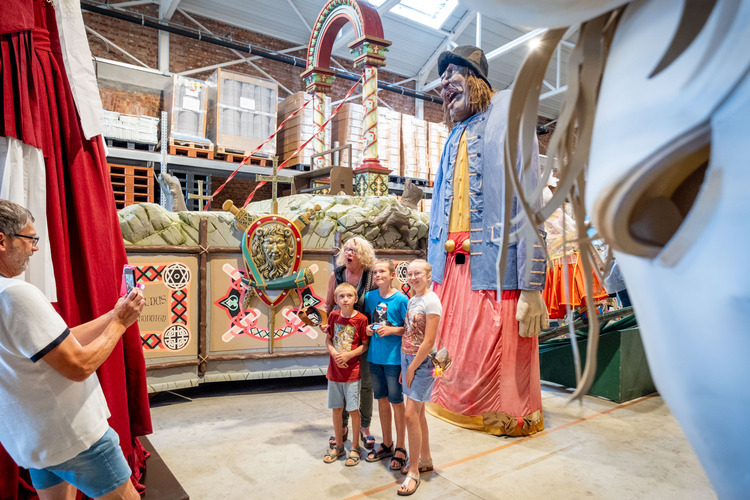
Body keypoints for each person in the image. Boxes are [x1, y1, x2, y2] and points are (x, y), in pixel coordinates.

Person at [427, 45, 549, 436]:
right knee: (450, 351)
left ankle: (505, 415)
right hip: (450, 267)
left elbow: (530, 203)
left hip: (495, 265)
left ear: (476, 78)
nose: (444, 85)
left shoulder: (509, 116)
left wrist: (531, 286)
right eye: (441, 80)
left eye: (452, 75)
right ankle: (450, 403)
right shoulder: (453, 137)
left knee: (495, 353)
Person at [0, 200, 145, 499]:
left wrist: (113, 314)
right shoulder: (17, 294)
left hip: (35, 439)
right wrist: (120, 324)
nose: (35, 249)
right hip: (75, 436)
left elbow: (58, 343)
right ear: (2, 240)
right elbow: (78, 365)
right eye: (30, 240)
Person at [324, 236, 376, 449]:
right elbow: (328, 304)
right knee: (341, 382)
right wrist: (325, 327)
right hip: (340, 340)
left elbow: (381, 301)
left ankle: (364, 426)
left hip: (365, 337)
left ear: (362, 253)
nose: (348, 253)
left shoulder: (371, 275)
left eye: (353, 250)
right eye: (346, 249)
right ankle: (342, 426)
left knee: (364, 384)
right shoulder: (336, 275)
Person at [398, 260, 441, 496]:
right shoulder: (413, 300)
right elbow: (409, 333)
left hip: (421, 363)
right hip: (408, 359)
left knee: (410, 414)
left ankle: (414, 471)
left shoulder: (431, 300)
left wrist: (412, 368)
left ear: (427, 275)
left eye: (418, 273)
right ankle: (425, 459)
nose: (413, 277)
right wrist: (404, 367)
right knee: (419, 413)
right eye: (410, 274)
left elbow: (428, 342)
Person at [362, 259, 409, 471]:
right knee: (381, 401)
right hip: (375, 357)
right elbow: (365, 322)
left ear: (392, 275)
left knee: (396, 401)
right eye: (375, 272)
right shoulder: (370, 297)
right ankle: (387, 443)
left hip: (394, 360)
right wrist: (368, 330)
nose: (378, 274)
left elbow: (410, 329)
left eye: (382, 271)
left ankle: (401, 447)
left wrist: (392, 330)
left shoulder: (401, 299)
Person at [323, 282, 370, 467]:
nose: (345, 299)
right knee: (336, 408)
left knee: (352, 409)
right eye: (341, 296)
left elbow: (364, 345)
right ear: (336, 299)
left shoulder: (361, 319)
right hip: (334, 372)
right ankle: (339, 445)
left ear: (355, 298)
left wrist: (349, 355)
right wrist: (335, 354)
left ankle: (355, 447)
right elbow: (328, 339)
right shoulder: (333, 316)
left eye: (349, 296)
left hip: (352, 372)